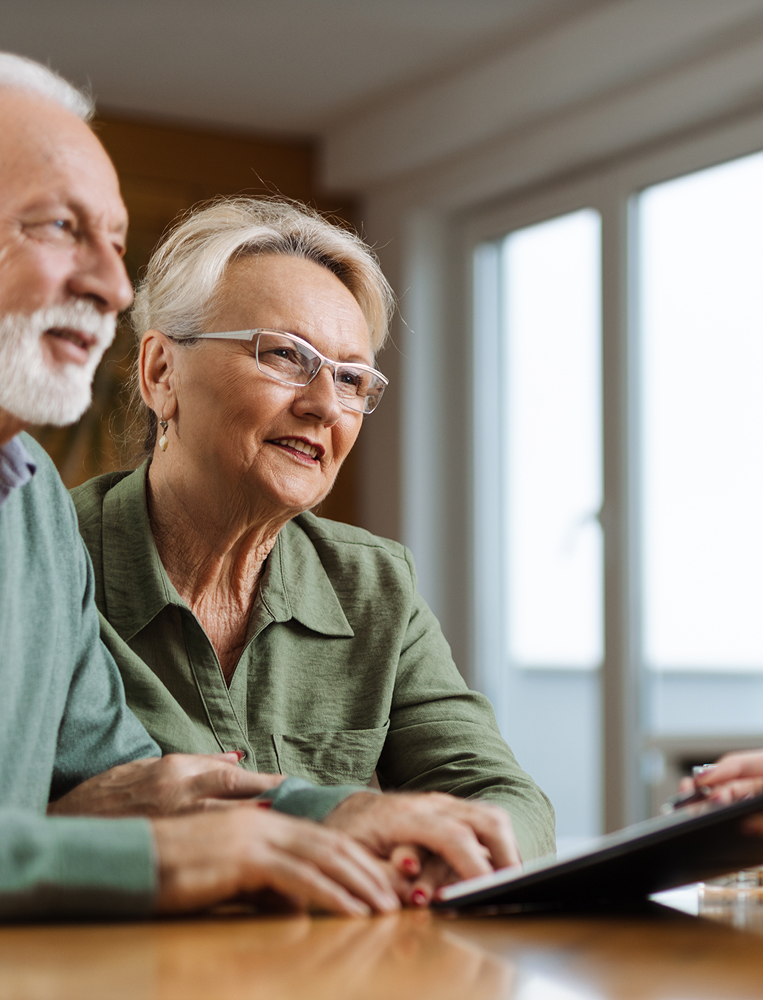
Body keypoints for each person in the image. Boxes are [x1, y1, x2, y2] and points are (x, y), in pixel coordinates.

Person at [0, 50, 441, 929]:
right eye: (57, 228)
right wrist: (135, 863)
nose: (115, 288)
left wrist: (346, 815)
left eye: (115, 243)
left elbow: (122, 786)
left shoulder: (32, 495)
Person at [71, 197, 557, 899]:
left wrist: (454, 853)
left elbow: (501, 794)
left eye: (353, 378)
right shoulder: (44, 559)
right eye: (287, 356)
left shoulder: (374, 583)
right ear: (160, 375)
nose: (326, 403)